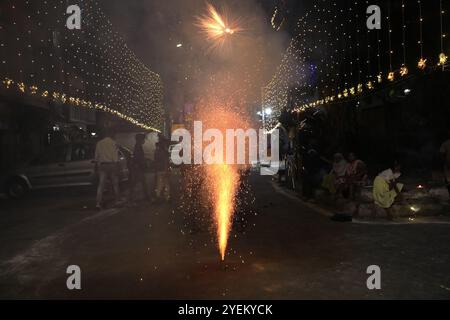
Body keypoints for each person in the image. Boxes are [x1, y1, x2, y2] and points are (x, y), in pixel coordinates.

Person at [95, 130, 121, 210]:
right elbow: (115, 157)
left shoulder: (99, 143)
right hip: (112, 165)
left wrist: (97, 165)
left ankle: (98, 203)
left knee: (101, 185)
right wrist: (117, 166)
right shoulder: (114, 143)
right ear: (111, 135)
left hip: (103, 165)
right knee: (115, 184)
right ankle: (117, 201)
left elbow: (96, 156)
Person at [128, 133, 150, 205]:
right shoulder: (138, 147)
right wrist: (144, 164)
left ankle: (145, 197)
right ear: (140, 139)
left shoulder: (138, 146)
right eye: (143, 139)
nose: (144, 140)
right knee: (136, 183)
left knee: (139, 183)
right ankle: (133, 199)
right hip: (138, 168)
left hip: (138, 167)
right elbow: (138, 158)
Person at [154, 136, 171, 202]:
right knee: (166, 184)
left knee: (159, 184)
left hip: (159, 170)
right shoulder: (165, 152)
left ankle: (158, 196)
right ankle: (166, 197)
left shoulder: (157, 152)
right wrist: (167, 169)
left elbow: (155, 161)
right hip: (164, 169)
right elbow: (166, 161)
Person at [439, 130, 450, 199]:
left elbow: (442, 154)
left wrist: (444, 163)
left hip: (448, 164)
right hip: (448, 164)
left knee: (448, 181)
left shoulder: (446, 143)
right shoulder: (446, 143)